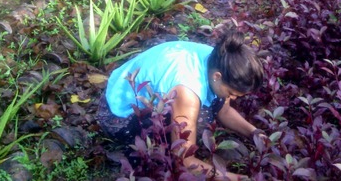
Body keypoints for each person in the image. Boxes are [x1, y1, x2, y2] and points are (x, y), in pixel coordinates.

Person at [98, 31, 265, 180]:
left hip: (125, 86)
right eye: (232, 93)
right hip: (117, 115)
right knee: (201, 120)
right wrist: (232, 178)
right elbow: (185, 160)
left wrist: (255, 134)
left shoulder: (221, 60)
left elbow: (225, 110)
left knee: (216, 102)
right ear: (217, 76)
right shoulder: (187, 91)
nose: (234, 98)